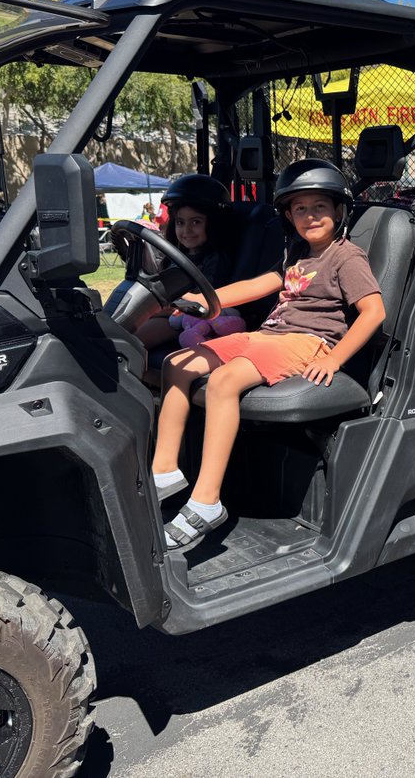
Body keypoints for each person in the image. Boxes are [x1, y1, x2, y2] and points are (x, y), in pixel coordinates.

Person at [150, 159, 384, 551]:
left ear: (339, 211)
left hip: (308, 341)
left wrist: (334, 359)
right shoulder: (296, 254)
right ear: (289, 216)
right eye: (300, 209)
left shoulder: (347, 256)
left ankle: (206, 501)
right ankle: (164, 470)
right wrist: (198, 299)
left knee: (225, 381)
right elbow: (258, 285)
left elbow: (374, 311)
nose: (310, 216)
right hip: (268, 336)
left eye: (319, 207)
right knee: (178, 364)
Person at [135, 174, 241, 352]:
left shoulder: (215, 260)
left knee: (132, 341)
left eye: (196, 222)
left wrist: (159, 308)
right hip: (165, 312)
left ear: (213, 224)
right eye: (180, 222)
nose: (187, 230)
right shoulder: (175, 255)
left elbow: (201, 300)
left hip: (187, 319)